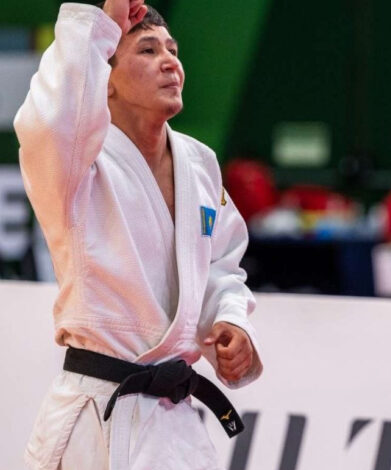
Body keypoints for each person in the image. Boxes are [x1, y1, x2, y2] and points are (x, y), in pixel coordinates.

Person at [14, 1, 262, 469]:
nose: (170, 62)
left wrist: (230, 321)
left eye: (173, 50)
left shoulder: (199, 163)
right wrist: (101, 27)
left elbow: (219, 264)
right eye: (147, 50)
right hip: (96, 419)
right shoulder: (75, 164)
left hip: (176, 424)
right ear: (104, 79)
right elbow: (46, 121)